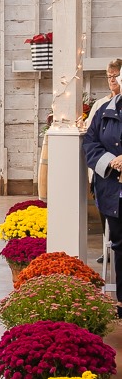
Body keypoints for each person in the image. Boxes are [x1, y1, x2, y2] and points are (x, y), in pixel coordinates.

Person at [83, 77, 122, 318]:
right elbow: (90, 142)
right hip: (112, 190)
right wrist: (112, 162)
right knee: (119, 244)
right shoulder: (106, 110)